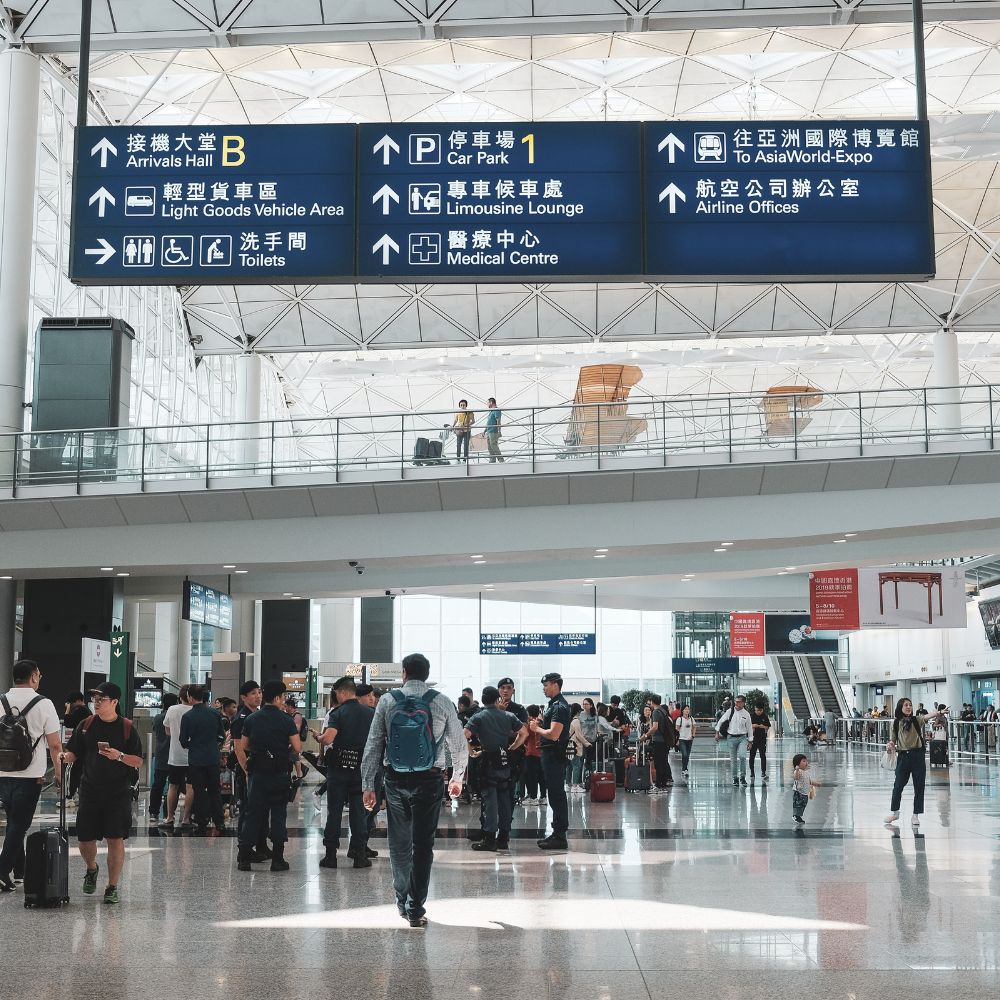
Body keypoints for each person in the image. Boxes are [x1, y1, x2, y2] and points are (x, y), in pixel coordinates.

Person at [362, 653, 467, 927]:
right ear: (426, 674)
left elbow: (373, 744)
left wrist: (368, 785)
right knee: (423, 845)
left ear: (404, 673)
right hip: (430, 780)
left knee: (399, 844)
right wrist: (457, 778)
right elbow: (458, 745)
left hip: (395, 780)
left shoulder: (387, 701)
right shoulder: (441, 701)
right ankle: (415, 908)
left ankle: (401, 901)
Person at [60, 682, 143, 904]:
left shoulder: (127, 727)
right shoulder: (86, 725)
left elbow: (138, 761)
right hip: (90, 790)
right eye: (94, 699)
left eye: (101, 699)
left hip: (118, 792)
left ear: (114, 702)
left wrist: (120, 756)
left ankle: (112, 886)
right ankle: (91, 868)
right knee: (85, 839)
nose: (96, 703)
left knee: (115, 838)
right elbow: (73, 752)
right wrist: (64, 756)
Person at [0, 660, 63, 893]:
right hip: (31, 774)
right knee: (20, 824)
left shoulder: (1, 701)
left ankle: (20, 870)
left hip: (3, 772)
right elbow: (55, 745)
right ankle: (2, 870)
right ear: (34, 677)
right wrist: (59, 773)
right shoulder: (44, 703)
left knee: (13, 821)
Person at [235, 680, 301, 872]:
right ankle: (278, 859)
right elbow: (297, 747)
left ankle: (244, 858)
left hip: (258, 774)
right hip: (279, 773)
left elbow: (244, 745)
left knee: (253, 814)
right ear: (278, 698)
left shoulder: (251, 719)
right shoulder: (286, 720)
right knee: (278, 814)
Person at [319, 676, 376, 870]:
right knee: (359, 812)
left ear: (342, 692)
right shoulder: (370, 713)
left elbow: (328, 739)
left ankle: (330, 856)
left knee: (334, 811)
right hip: (361, 769)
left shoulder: (338, 713)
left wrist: (320, 737)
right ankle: (359, 855)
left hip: (339, 769)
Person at [464, 686, 526, 851]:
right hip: (504, 762)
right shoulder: (508, 716)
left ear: (483, 700)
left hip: (488, 763)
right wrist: (512, 747)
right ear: (497, 699)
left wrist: (472, 752)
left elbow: (464, 734)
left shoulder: (478, 717)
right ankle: (503, 838)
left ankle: (489, 839)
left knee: (490, 802)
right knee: (505, 800)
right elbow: (524, 733)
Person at [885, 699, 946, 827]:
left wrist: (939, 712)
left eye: (910, 705)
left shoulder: (916, 720)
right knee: (898, 786)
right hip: (903, 757)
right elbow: (893, 740)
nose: (909, 707)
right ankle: (895, 812)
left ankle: (915, 815)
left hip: (917, 756)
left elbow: (927, 716)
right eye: (906, 705)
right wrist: (890, 745)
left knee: (919, 786)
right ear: (900, 707)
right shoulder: (896, 723)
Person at [529, 672, 571, 851]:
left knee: (556, 794)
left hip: (554, 754)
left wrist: (536, 728)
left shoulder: (559, 707)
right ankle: (557, 833)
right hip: (551, 754)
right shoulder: (553, 705)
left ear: (555, 684)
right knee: (554, 794)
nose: (544, 689)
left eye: (546, 685)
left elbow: (554, 734)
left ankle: (560, 836)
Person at [179, 684, 227, 834]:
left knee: (198, 791)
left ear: (190, 697)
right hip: (212, 757)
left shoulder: (187, 716)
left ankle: (201, 822)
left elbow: (183, 740)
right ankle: (219, 822)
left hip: (196, 759)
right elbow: (222, 736)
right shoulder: (215, 714)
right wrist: (214, 746)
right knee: (215, 790)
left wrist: (193, 745)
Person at [230, 681, 269, 859]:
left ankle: (261, 845)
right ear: (244, 697)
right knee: (247, 809)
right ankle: (244, 848)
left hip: (260, 769)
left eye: (259, 692)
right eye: (253, 693)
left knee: (262, 808)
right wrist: (247, 772)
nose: (258, 696)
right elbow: (239, 750)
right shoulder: (241, 718)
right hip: (248, 770)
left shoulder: (258, 715)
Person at [162, 684, 195, 828]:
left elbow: (167, 731)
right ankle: (186, 819)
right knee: (190, 787)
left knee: (173, 786)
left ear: (180, 697)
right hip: (193, 755)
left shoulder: (172, 709)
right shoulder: (196, 710)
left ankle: (170, 818)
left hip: (175, 755)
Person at [496, 677, 527, 810]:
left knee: (510, 787)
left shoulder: (519, 709)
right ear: (498, 690)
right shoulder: (490, 708)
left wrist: (501, 730)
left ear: (513, 691)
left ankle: (507, 818)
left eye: (509, 688)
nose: (505, 691)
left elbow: (523, 731)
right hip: (494, 753)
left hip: (513, 753)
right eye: (502, 688)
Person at [148, 692, 179, 824]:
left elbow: (155, 730)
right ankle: (168, 812)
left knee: (158, 785)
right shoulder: (177, 716)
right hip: (175, 755)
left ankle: (153, 812)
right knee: (174, 786)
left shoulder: (158, 717)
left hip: (161, 754)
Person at [715, 694, 753, 787]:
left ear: (743, 703)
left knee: (742, 756)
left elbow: (749, 728)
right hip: (731, 738)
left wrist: (750, 741)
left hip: (742, 738)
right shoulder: (730, 711)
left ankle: (742, 777)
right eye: (736, 701)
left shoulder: (746, 714)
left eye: (739, 702)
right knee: (733, 759)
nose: (737, 703)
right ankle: (735, 778)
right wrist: (717, 733)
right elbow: (720, 721)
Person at [642, 694, 675, 791]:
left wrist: (645, 736)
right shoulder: (663, 710)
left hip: (658, 741)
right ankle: (663, 783)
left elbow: (655, 727)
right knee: (663, 762)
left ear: (652, 702)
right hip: (665, 740)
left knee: (658, 763)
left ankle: (658, 785)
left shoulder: (656, 712)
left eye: (649, 702)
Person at [522, 705, 546, 803]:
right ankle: (543, 797)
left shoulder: (530, 724)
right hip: (541, 752)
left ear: (529, 714)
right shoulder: (542, 723)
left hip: (531, 752)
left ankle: (533, 798)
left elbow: (525, 737)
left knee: (532, 776)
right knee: (541, 776)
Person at [791, 753, 821, 826]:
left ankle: (798, 816)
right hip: (798, 792)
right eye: (804, 761)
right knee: (798, 804)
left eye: (806, 761)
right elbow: (796, 777)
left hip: (804, 793)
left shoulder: (806, 773)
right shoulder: (798, 771)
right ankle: (796, 816)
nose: (806, 763)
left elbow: (809, 781)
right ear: (797, 763)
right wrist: (797, 770)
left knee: (803, 805)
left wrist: (816, 784)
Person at [566, 703, 588, 790]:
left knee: (569, 765)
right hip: (575, 745)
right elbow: (579, 735)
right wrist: (587, 743)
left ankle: (568, 784)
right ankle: (575, 785)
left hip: (569, 745)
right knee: (576, 765)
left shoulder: (570, 720)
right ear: (578, 711)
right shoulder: (576, 721)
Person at [749, 704, 771, 785]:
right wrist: (753, 725)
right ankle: (752, 772)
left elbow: (768, 727)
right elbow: (746, 726)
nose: (758, 712)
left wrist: (763, 726)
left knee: (763, 755)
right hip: (753, 739)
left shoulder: (764, 716)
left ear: (762, 710)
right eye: (757, 710)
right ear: (755, 709)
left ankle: (763, 772)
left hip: (762, 739)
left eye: (760, 710)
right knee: (752, 756)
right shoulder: (751, 716)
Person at [675, 704, 696, 778]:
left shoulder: (691, 719)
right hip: (682, 739)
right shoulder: (679, 719)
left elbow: (694, 727)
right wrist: (677, 739)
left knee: (687, 755)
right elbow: (676, 729)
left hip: (689, 739)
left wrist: (693, 735)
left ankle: (684, 769)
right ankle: (684, 769)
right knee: (685, 754)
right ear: (682, 711)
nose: (687, 710)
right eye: (685, 709)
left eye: (688, 709)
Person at [485, 397, 503, 463]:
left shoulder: (496, 410)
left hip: (493, 431)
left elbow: (498, 421)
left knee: (493, 445)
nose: (487, 404)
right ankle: (492, 460)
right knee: (489, 446)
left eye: (487, 403)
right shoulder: (491, 411)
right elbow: (489, 422)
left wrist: (499, 431)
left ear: (491, 402)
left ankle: (501, 460)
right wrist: (484, 431)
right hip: (489, 431)